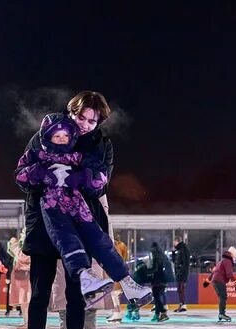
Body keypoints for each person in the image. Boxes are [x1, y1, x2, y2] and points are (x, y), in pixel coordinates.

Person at [16, 91, 115, 329]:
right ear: (70, 112)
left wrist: (73, 174)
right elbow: (22, 176)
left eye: (92, 121)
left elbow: (99, 185)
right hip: (46, 223)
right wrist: (45, 172)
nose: (85, 125)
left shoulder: (101, 145)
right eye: (80, 117)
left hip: (80, 226)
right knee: (40, 291)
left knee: (76, 295)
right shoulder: (45, 135)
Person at [15, 114, 151, 308]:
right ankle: (84, 276)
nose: (62, 139)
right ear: (47, 137)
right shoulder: (38, 155)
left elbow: (100, 176)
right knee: (68, 240)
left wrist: (80, 178)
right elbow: (20, 176)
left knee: (99, 239)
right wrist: (44, 174)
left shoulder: (77, 157)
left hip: (78, 206)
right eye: (56, 136)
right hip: (53, 208)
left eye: (65, 136)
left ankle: (127, 282)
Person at [202, 247, 236, 322]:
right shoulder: (228, 261)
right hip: (219, 281)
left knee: (222, 297)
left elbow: (214, 271)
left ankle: (221, 313)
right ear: (232, 255)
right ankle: (221, 313)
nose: (234, 260)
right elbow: (229, 274)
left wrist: (207, 280)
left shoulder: (222, 261)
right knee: (223, 297)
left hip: (215, 281)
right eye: (234, 258)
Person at [7, 230, 32, 329]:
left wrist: (14, 245)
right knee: (24, 300)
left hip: (26, 273)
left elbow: (24, 257)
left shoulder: (29, 238)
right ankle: (27, 322)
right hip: (24, 273)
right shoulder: (28, 237)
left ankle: (29, 323)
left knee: (26, 299)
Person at [172, 236, 191, 313]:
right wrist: (173, 254)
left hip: (182, 274)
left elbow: (185, 263)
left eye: (174, 242)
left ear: (177, 241)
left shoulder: (184, 249)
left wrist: (180, 272)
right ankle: (181, 304)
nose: (174, 244)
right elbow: (176, 262)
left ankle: (183, 305)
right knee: (179, 290)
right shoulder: (180, 250)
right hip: (179, 273)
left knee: (181, 289)